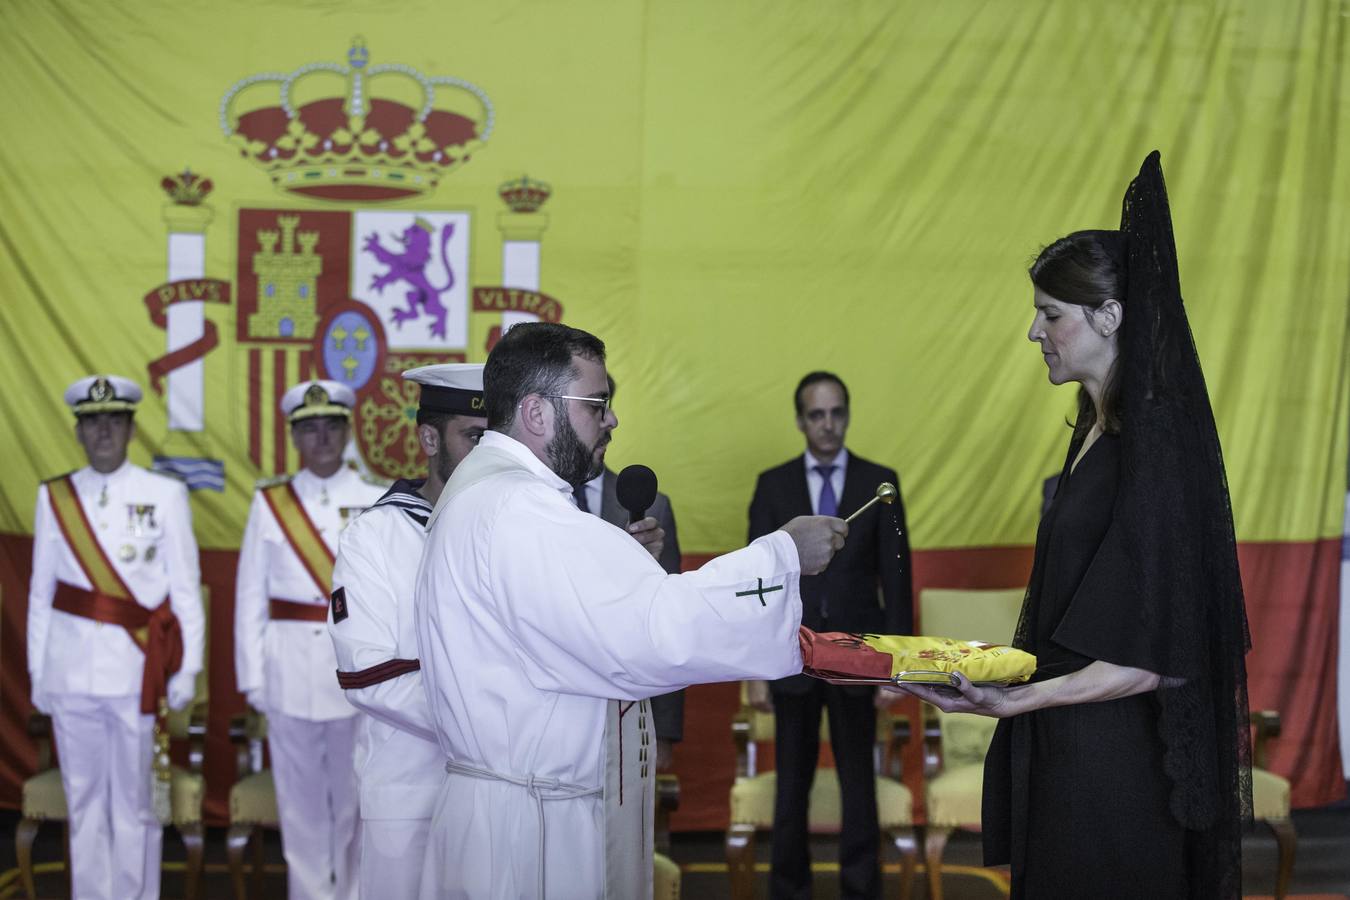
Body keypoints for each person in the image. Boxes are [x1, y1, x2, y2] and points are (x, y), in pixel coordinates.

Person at [898, 152, 1251, 899]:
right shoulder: (1094, 427)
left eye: (1050, 313)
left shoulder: (1156, 446)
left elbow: (1167, 653)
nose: (1035, 332)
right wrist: (994, 678)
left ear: (1109, 317)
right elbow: (1072, 617)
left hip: (1118, 775)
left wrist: (1023, 697)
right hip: (1070, 753)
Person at [414, 322, 849, 899]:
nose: (612, 420)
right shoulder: (520, 509)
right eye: (598, 404)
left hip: (511, 806)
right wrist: (783, 554)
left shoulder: (488, 489)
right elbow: (650, 631)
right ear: (538, 413)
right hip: (525, 830)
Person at [27, 374, 205, 900]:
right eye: (91, 422)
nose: (102, 431)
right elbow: (40, 593)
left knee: (137, 806)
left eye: (113, 420)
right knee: (83, 805)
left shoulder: (165, 494)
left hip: (138, 677)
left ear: (130, 428)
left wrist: (187, 668)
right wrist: (38, 674)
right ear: (78, 432)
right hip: (70, 672)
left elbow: (185, 590)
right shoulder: (53, 497)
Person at [746, 370, 912, 900]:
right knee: (791, 785)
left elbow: (898, 578)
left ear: (847, 414)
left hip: (857, 657)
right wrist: (755, 668)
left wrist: (897, 666)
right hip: (790, 657)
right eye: (816, 414)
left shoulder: (879, 480)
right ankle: (788, 890)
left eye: (836, 412)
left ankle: (861, 889)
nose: (828, 424)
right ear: (800, 420)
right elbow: (756, 582)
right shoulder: (773, 486)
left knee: (857, 782)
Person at [328, 363, 487, 899]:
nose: (488, 454)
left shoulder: (519, 529)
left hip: (504, 793)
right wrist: (494, 718)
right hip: (408, 787)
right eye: (474, 437)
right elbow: (367, 673)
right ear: (428, 438)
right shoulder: (374, 536)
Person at [235, 379, 384, 900]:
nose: (321, 438)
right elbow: (249, 596)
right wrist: (252, 678)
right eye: (309, 429)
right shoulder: (270, 502)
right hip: (288, 672)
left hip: (354, 673)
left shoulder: (373, 499)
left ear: (347, 431)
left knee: (354, 804)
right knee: (298, 808)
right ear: (294, 437)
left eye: (330, 426)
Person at [576, 375, 685, 770]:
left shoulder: (650, 507)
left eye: (607, 405)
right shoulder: (533, 503)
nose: (608, 419)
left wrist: (665, 730)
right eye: (594, 406)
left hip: (629, 713)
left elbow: (670, 622)